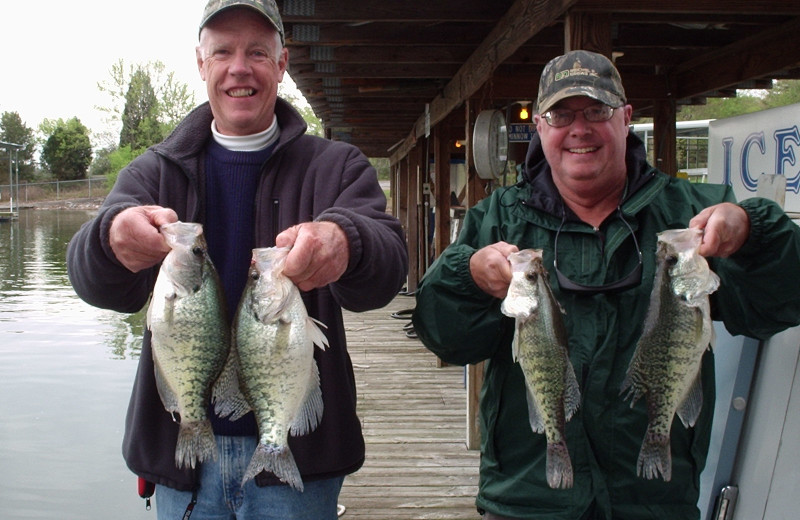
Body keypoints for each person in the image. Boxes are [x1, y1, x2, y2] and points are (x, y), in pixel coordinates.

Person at [412, 49, 800, 520]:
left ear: (626, 119)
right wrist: (469, 277)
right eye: (560, 114)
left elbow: (780, 304)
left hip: (654, 500)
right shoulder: (499, 221)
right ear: (539, 126)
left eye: (597, 110)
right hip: (528, 498)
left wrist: (754, 233)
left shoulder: (693, 215)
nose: (580, 128)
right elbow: (444, 337)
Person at [66, 1, 408, 518]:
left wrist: (347, 242)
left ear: (282, 62)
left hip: (300, 461)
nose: (239, 68)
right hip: (182, 459)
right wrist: (111, 240)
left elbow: (386, 270)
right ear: (201, 64)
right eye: (222, 51)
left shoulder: (336, 166)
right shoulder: (152, 171)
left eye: (257, 52)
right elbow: (91, 282)